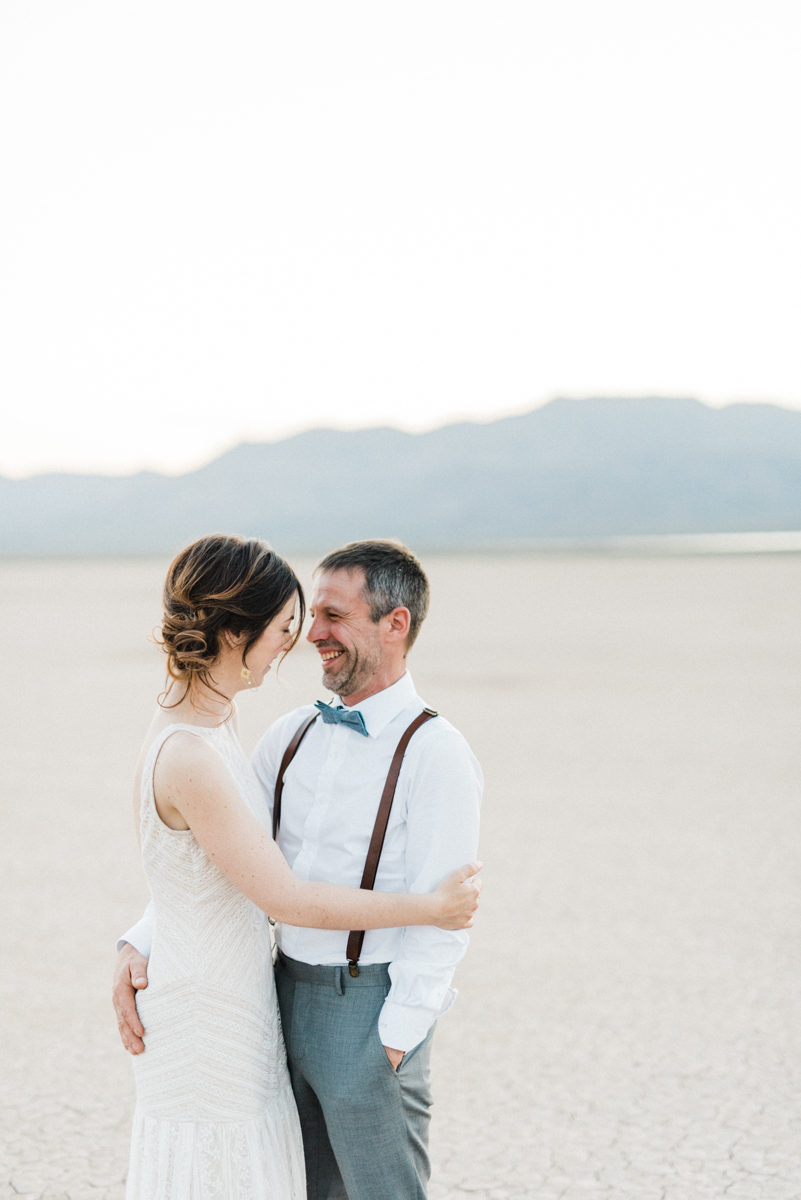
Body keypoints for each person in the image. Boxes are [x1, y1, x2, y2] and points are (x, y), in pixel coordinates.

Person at [113, 534, 482, 1200]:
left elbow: (447, 910)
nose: (312, 635)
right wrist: (139, 940)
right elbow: (226, 862)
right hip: (274, 996)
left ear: (394, 624)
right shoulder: (287, 735)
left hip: (367, 1008)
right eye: (305, 618)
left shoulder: (437, 752)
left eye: (332, 616)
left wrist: (396, 1039)